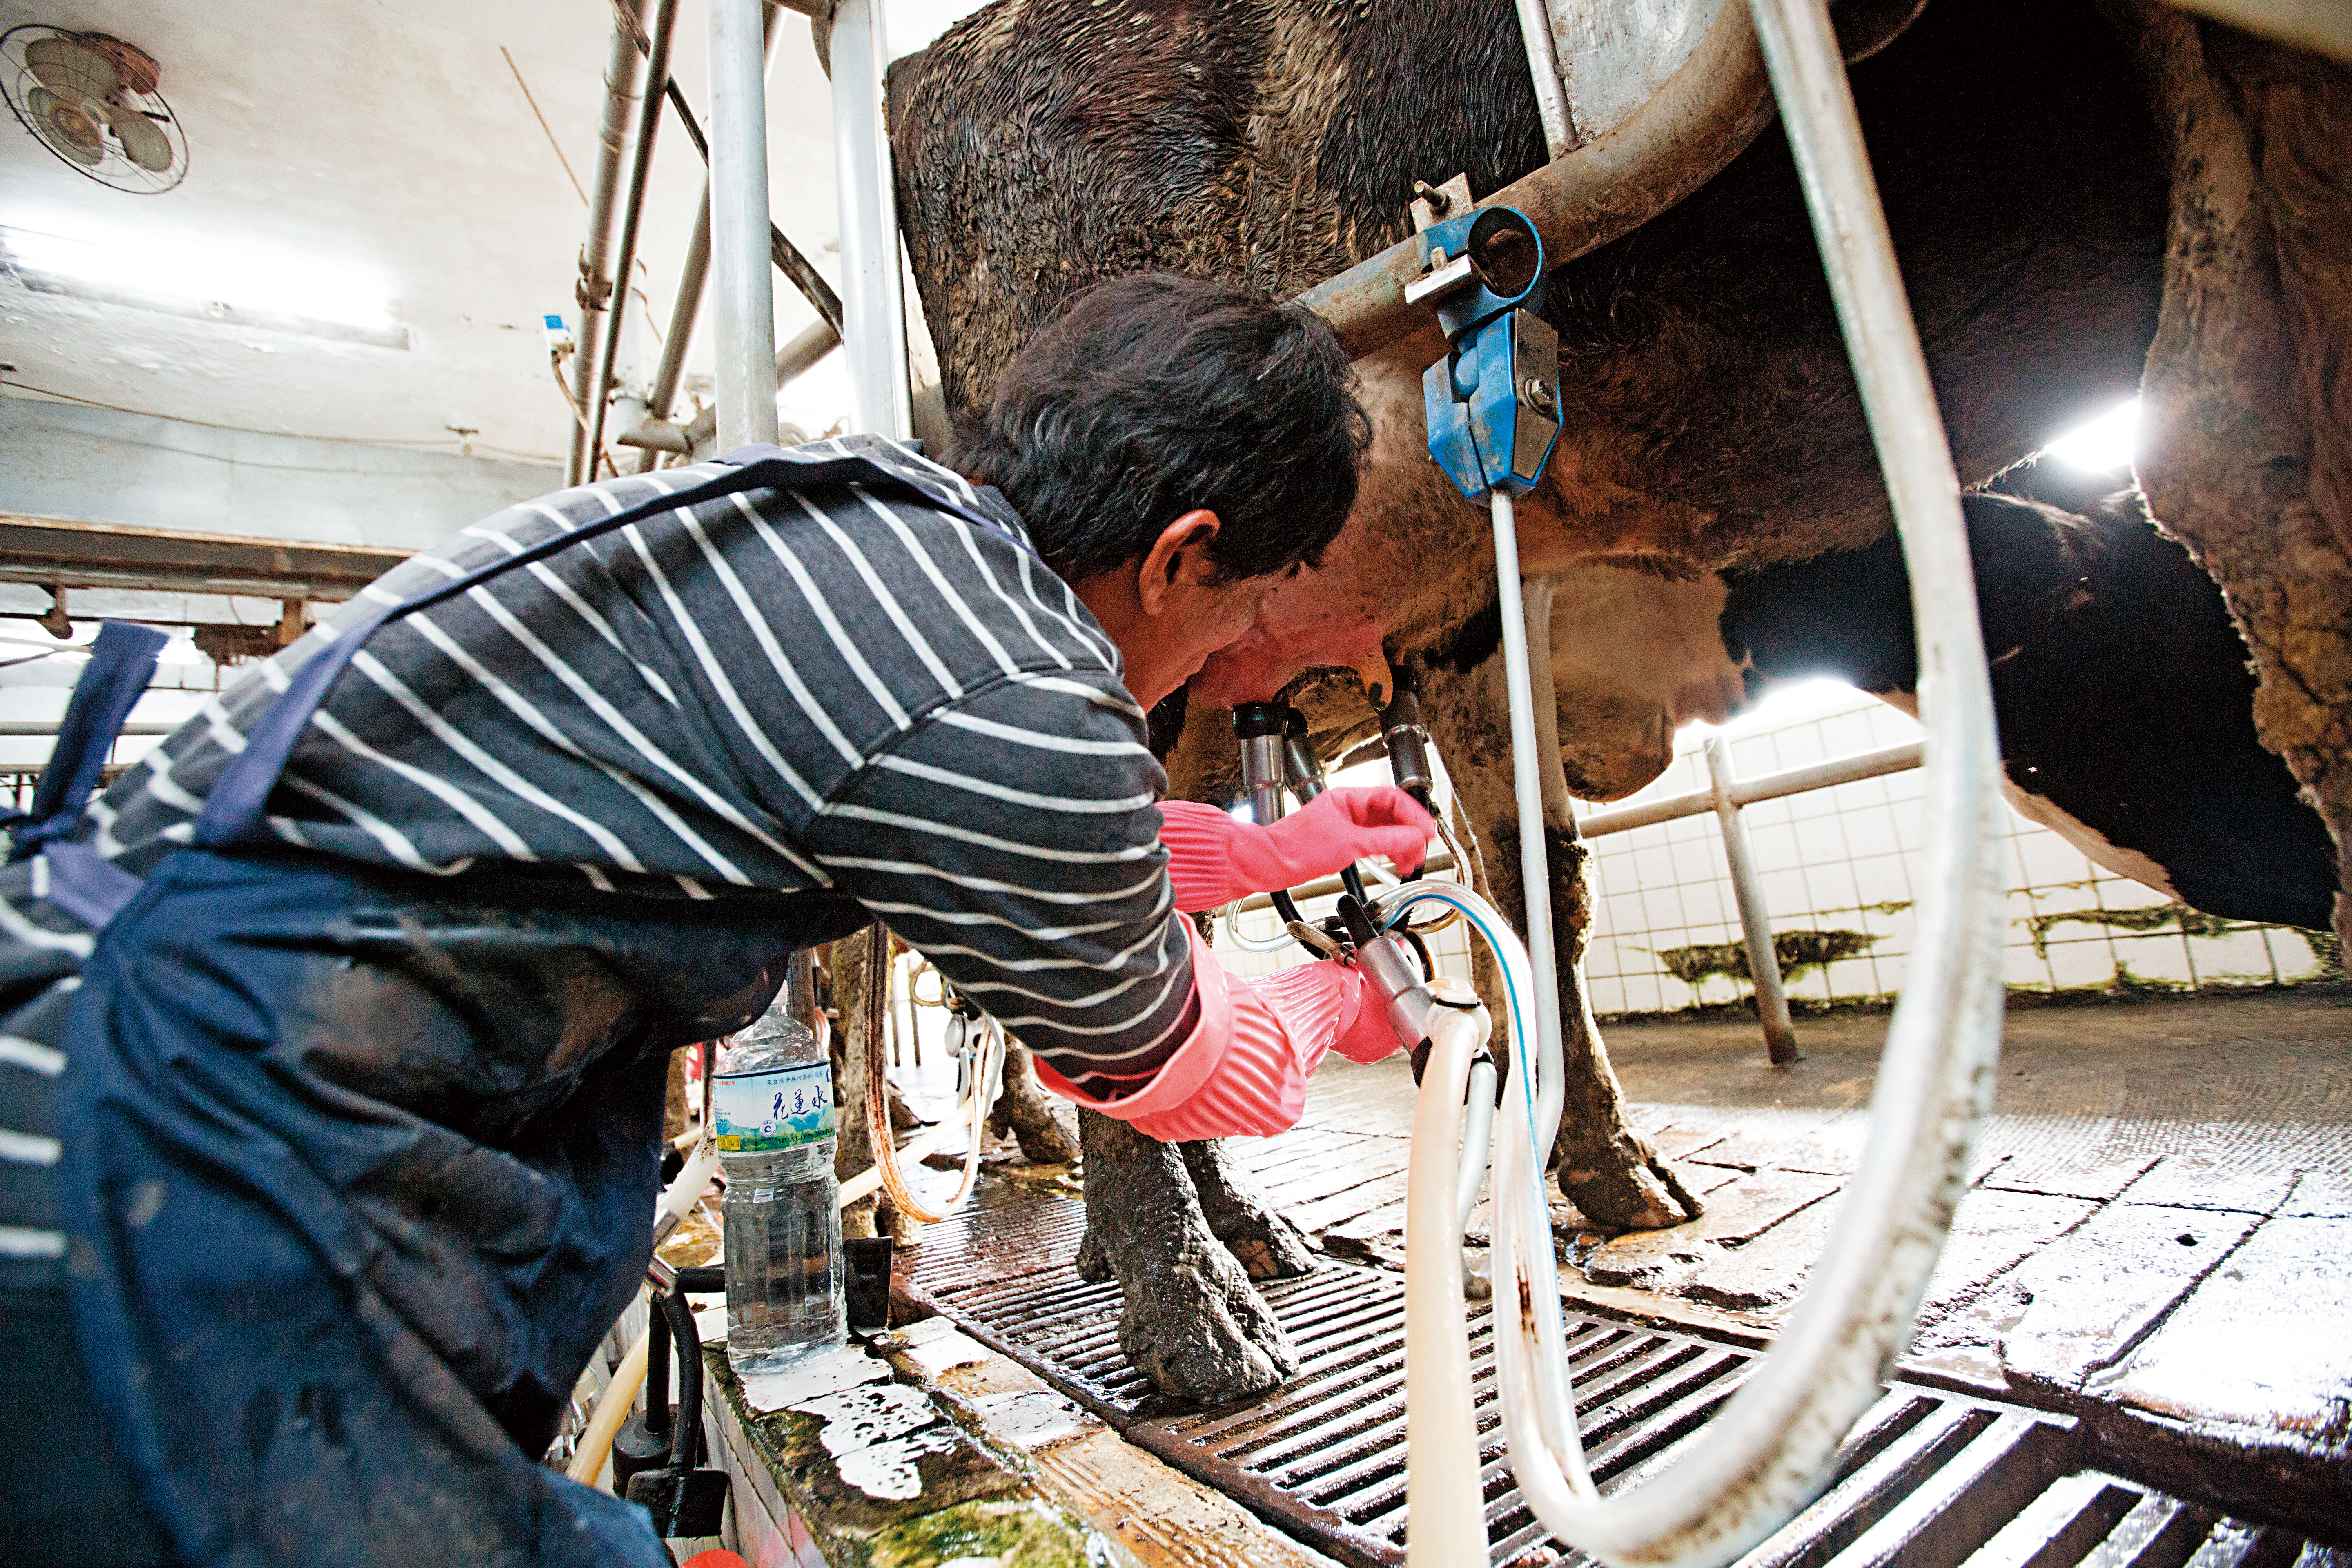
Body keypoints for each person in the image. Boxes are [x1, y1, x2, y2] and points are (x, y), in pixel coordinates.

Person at [0, 273, 1432, 1568]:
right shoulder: (1024, 688)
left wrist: (1285, 847)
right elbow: (1183, 1069)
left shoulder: (885, 524)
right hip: (172, 1135)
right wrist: (1352, 1003)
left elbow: (997, 832)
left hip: (124, 1006)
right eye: (1248, 609)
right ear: (1183, 555)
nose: (1245, 652)